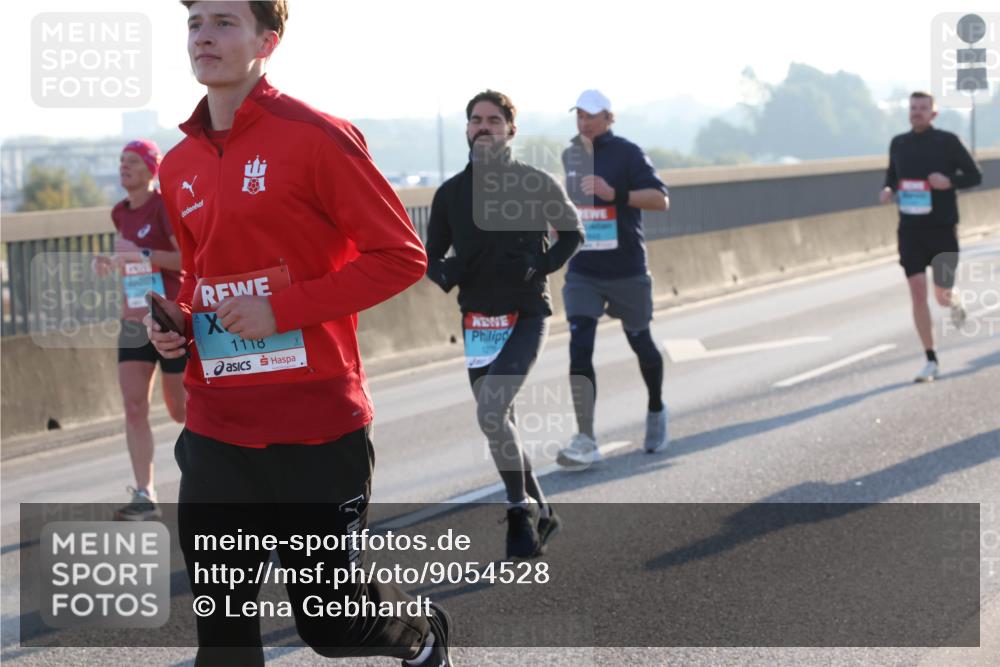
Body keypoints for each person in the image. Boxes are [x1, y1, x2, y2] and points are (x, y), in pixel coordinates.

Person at [146, 2, 451, 664]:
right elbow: (200, 277)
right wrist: (180, 323)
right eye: (195, 23)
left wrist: (281, 311)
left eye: (224, 22)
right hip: (216, 431)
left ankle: (421, 629)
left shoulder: (317, 136)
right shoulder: (177, 164)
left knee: (333, 627)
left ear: (268, 40)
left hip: (315, 430)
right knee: (223, 640)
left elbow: (401, 256)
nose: (203, 36)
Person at [425, 89, 584, 558]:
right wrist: (446, 272)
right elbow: (429, 256)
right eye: (476, 120)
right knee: (500, 422)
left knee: (491, 412)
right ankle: (544, 511)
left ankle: (519, 512)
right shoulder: (451, 194)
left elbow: (572, 234)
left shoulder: (534, 182)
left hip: (526, 315)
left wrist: (541, 265)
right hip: (478, 321)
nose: (483, 127)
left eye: (494, 120)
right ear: (467, 129)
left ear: (511, 130)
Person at [554, 90, 670, 469]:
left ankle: (656, 408)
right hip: (584, 271)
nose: (584, 122)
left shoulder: (628, 153)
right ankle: (586, 437)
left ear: (608, 117)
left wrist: (613, 193)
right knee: (580, 346)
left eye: (591, 115)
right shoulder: (571, 155)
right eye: (579, 115)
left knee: (641, 342)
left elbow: (660, 200)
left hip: (626, 270)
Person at [92, 139, 186, 521]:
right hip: (133, 320)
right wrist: (110, 262)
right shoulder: (120, 213)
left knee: (181, 410)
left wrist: (142, 255)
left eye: (132, 161)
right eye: (121, 161)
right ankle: (145, 493)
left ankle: (214, 479)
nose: (123, 166)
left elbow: (185, 259)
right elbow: (129, 257)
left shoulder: (164, 206)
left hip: (169, 317)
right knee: (133, 406)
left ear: (151, 168)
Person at [879, 91, 982, 382]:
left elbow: (975, 176)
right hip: (910, 230)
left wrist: (949, 181)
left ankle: (954, 299)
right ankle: (930, 359)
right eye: (913, 107)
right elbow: (892, 176)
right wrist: (888, 189)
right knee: (917, 291)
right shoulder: (899, 143)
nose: (917, 112)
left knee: (942, 295)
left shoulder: (947, 141)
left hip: (942, 229)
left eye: (923, 108)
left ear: (933, 113)